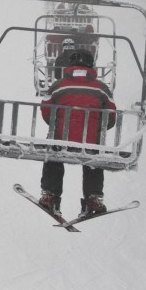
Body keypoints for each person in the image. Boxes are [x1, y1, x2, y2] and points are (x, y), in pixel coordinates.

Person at [37, 46, 113, 219]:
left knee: (53, 156)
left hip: (61, 140)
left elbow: (46, 110)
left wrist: (55, 124)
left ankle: (50, 195)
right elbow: (111, 117)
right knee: (94, 159)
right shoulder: (101, 88)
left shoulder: (58, 86)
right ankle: (93, 198)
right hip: (90, 141)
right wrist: (99, 128)